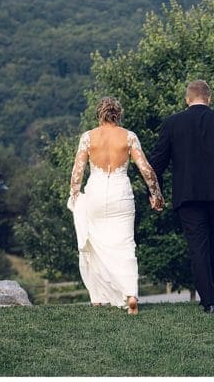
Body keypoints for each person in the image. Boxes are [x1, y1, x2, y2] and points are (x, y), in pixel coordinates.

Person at [149, 80, 214, 314]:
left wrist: (156, 192)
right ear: (210, 98)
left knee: (198, 246)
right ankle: (209, 294)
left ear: (187, 99)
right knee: (213, 244)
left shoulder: (172, 124)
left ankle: (208, 301)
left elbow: (156, 163)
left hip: (187, 196)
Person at [69, 97, 164, 315]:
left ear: (98, 114)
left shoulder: (87, 137)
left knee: (96, 242)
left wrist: (75, 196)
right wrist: (156, 194)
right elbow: (146, 170)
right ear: (118, 114)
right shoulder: (129, 137)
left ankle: (98, 298)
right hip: (121, 192)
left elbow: (77, 172)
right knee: (125, 245)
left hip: (95, 192)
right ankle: (131, 295)